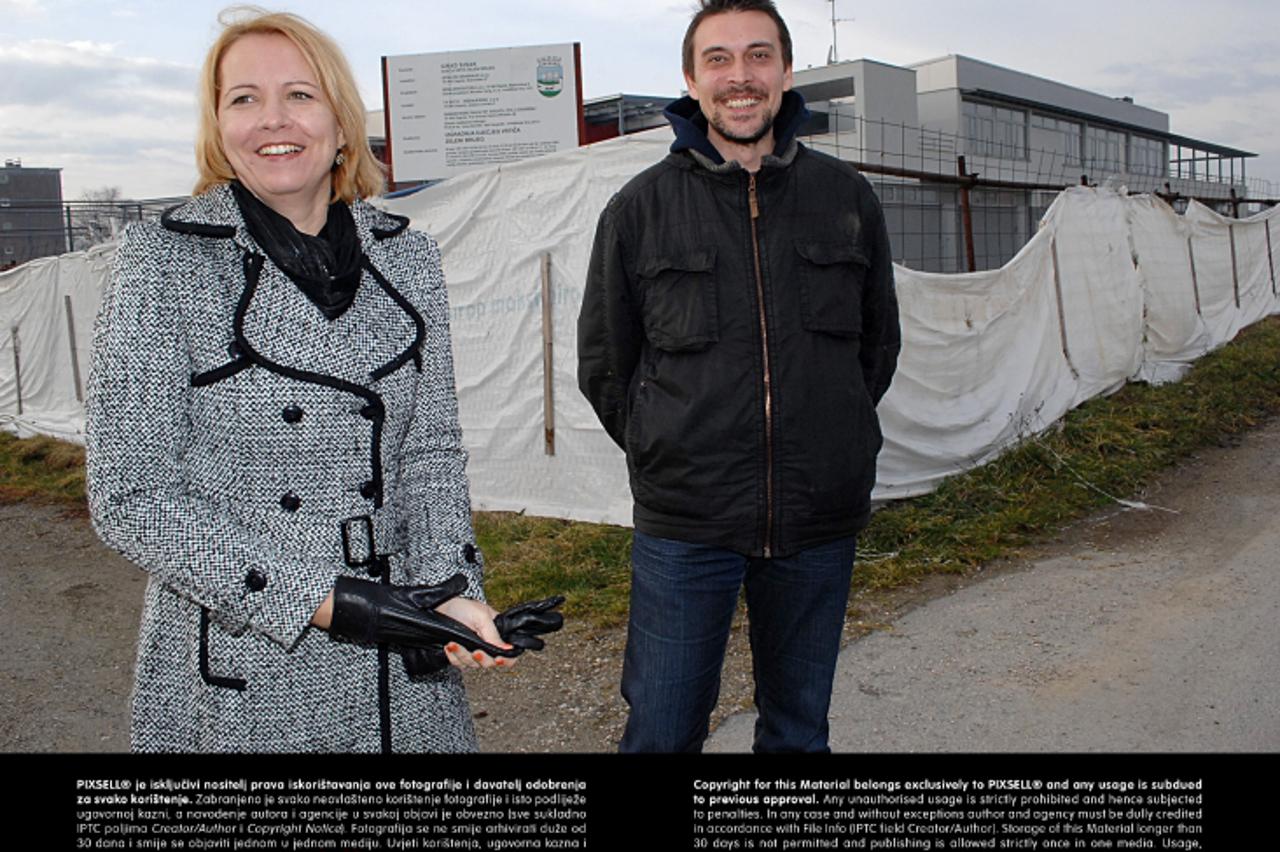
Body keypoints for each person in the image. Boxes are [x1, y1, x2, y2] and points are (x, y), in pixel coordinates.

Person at [86, 9, 560, 753]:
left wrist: (450, 598)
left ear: (341, 122)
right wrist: (327, 601)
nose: (273, 119)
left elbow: (428, 453)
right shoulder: (161, 262)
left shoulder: (408, 258)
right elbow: (130, 497)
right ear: (218, 127)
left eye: (300, 95)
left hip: (404, 665)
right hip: (247, 666)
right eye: (243, 98)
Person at [577, 0, 900, 753]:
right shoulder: (638, 210)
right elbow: (607, 365)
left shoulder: (847, 200)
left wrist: (826, 437)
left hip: (818, 516)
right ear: (691, 80)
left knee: (797, 731)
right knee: (660, 732)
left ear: (786, 73)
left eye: (759, 56)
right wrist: (669, 449)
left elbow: (874, 353)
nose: (740, 76)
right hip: (688, 521)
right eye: (718, 59)